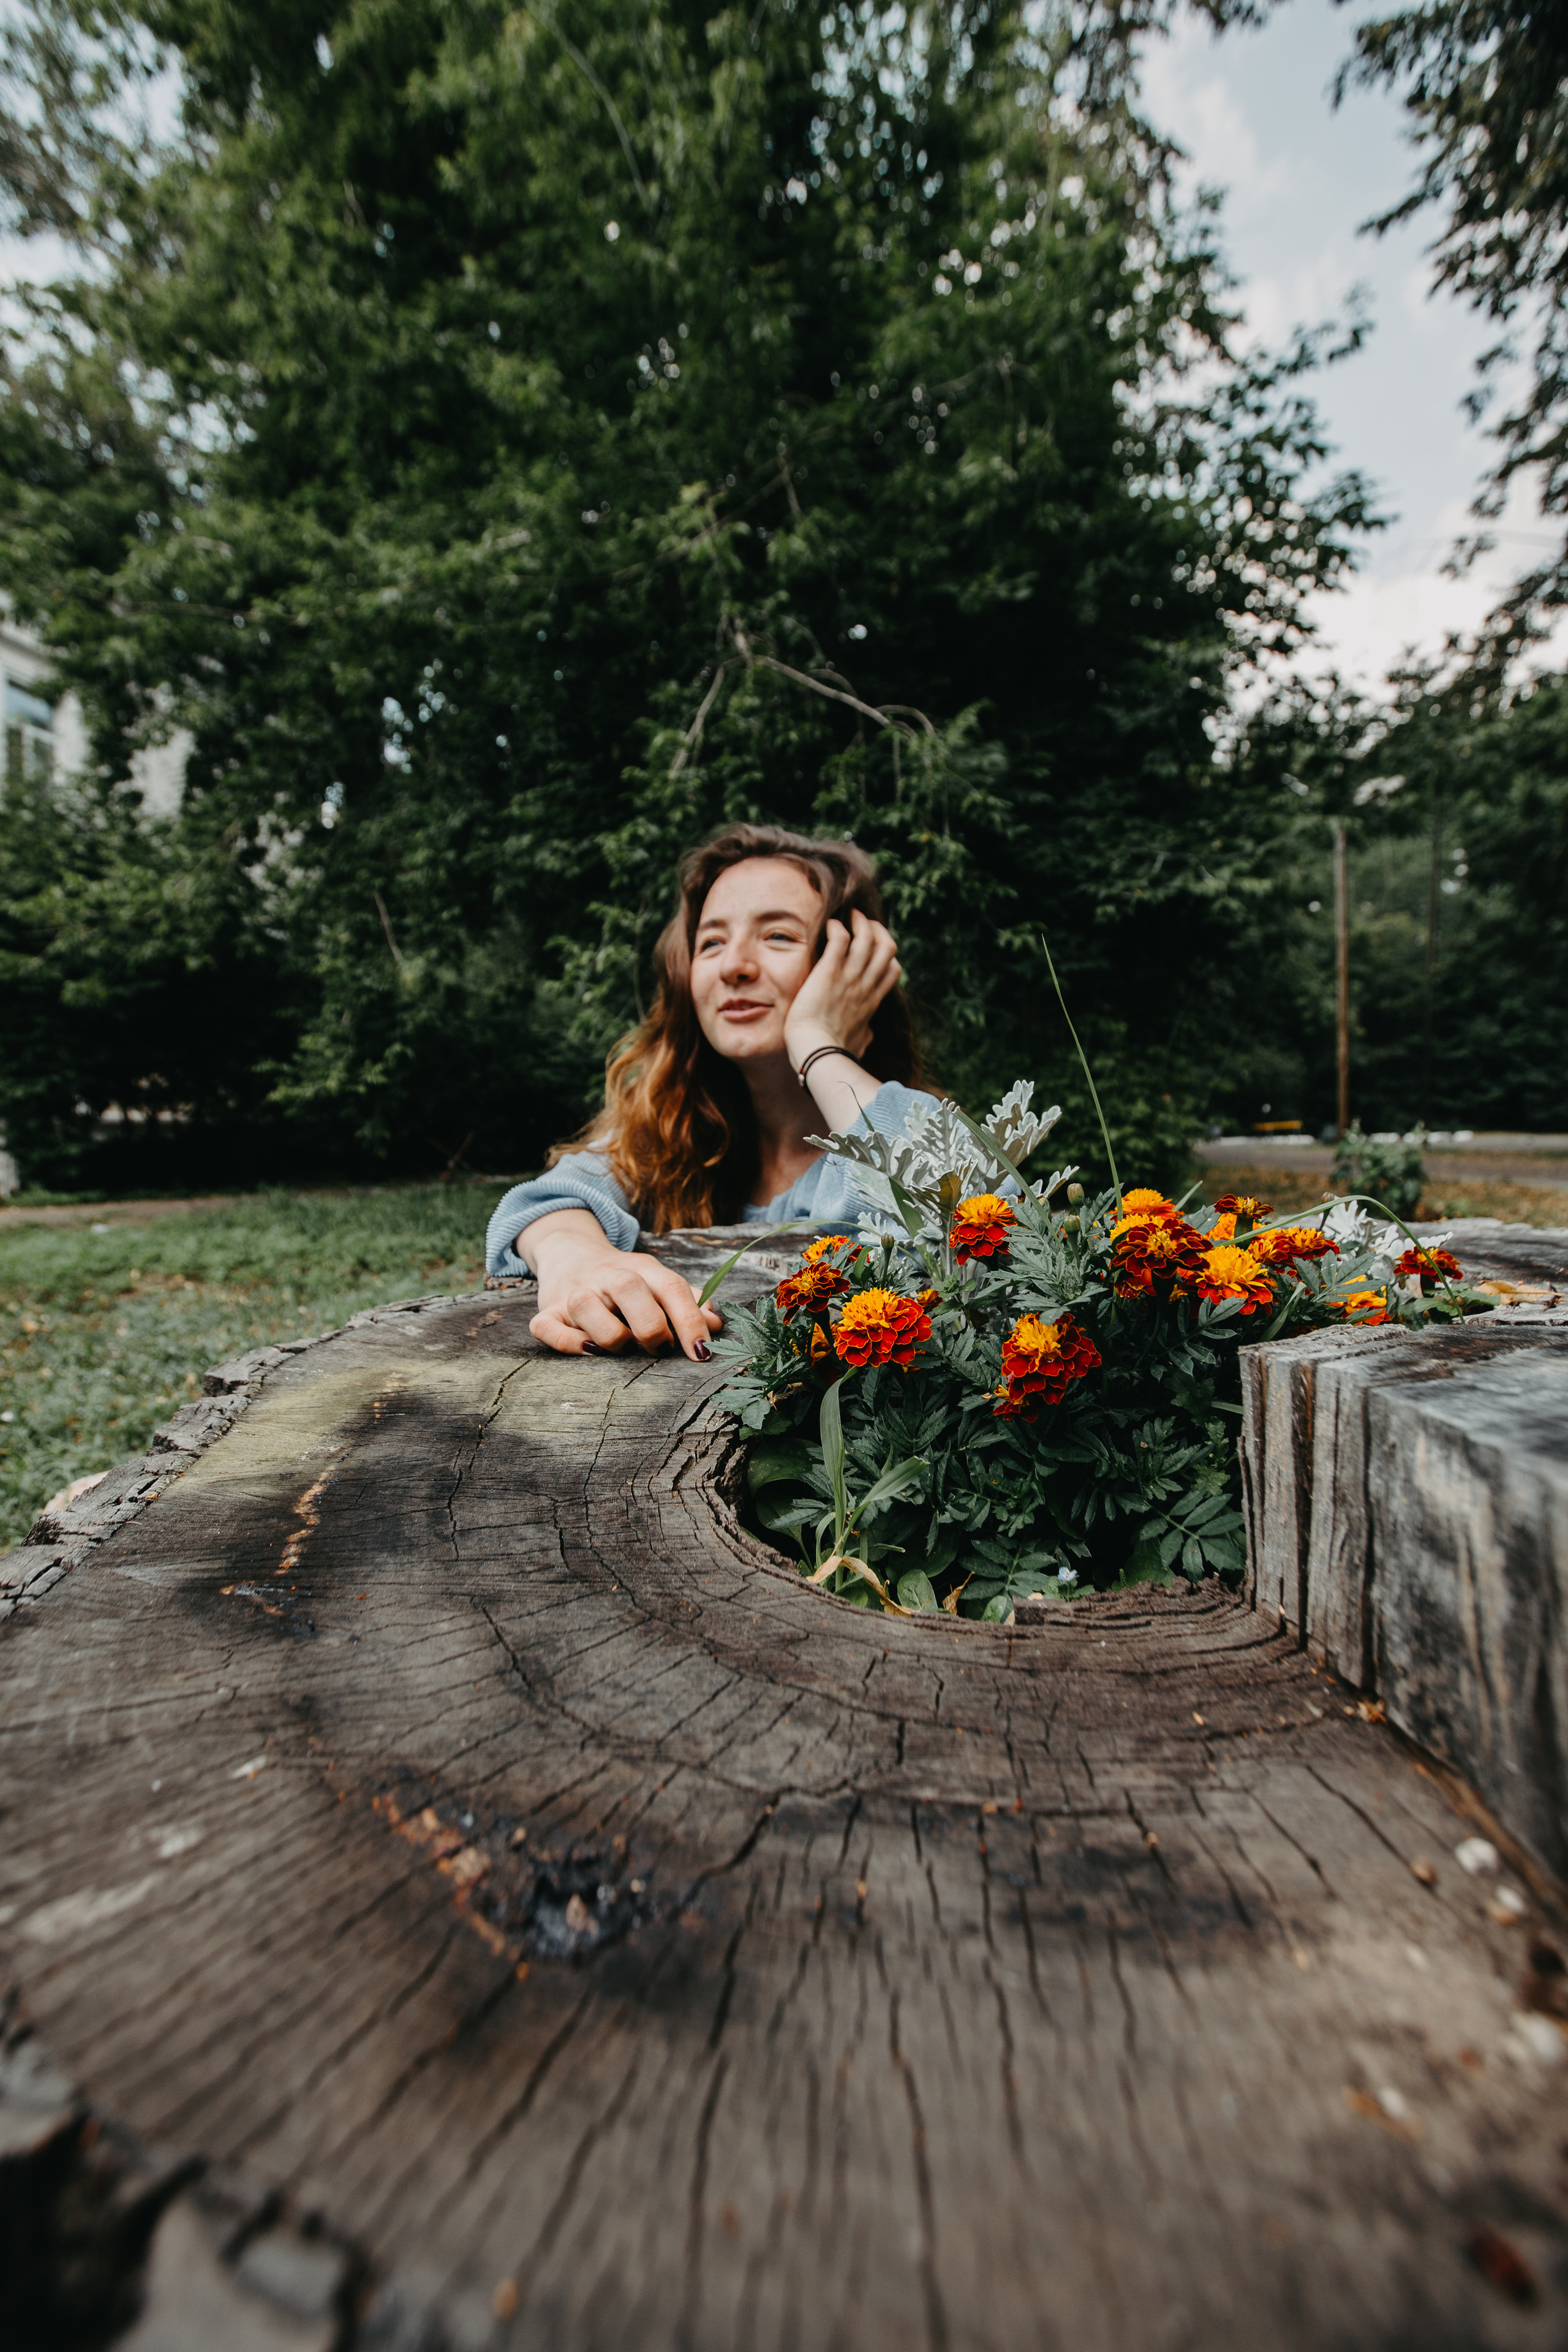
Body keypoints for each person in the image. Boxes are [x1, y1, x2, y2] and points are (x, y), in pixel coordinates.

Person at [486, 823, 933, 1359]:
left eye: (778, 937)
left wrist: (818, 1046)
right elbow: (545, 1202)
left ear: (852, 968)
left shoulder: (900, 1124)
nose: (735, 967)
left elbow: (963, 1220)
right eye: (712, 942)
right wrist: (574, 1257)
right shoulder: (671, 1134)